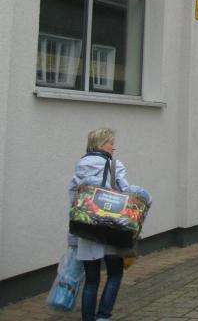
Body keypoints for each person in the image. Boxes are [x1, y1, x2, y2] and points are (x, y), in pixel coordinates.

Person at [67, 128, 131, 321]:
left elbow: (73, 199)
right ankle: (103, 316)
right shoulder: (114, 165)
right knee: (115, 274)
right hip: (111, 229)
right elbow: (126, 194)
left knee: (91, 279)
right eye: (111, 143)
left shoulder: (80, 166)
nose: (114, 147)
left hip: (87, 229)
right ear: (101, 144)